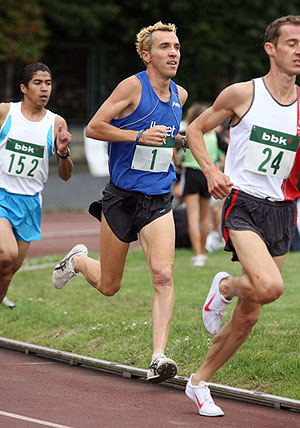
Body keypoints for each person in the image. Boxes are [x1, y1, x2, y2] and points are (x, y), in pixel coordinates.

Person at [52, 21, 188, 383]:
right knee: (110, 285)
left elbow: (165, 140)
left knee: (163, 275)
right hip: (122, 198)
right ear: (147, 55)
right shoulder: (132, 87)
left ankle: (158, 357)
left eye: (176, 46)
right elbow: (95, 127)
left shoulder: (181, 96)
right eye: (164, 47)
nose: (173, 52)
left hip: (159, 198)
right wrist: (138, 136)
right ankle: (78, 261)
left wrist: (179, 142)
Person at [184, 15, 300, 417]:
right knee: (268, 287)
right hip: (244, 204)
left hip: (284, 209)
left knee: (250, 316)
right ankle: (227, 285)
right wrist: (213, 172)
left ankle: (199, 381)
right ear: (271, 48)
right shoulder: (243, 94)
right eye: (291, 43)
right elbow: (196, 130)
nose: (299, 50)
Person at [0, 62, 73, 308]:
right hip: (2, 195)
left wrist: (63, 153)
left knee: (9, 270)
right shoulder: (5, 113)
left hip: (30, 202)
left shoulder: (55, 123)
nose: (44, 89)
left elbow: (65, 176)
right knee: (6, 253)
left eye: (48, 83)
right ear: (23, 87)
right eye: (38, 83)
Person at [177, 103, 220, 266]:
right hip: (207, 174)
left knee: (192, 217)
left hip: (191, 173)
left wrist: (178, 162)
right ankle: (203, 251)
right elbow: (228, 148)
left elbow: (174, 147)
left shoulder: (187, 134)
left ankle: (198, 255)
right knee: (204, 218)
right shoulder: (215, 136)